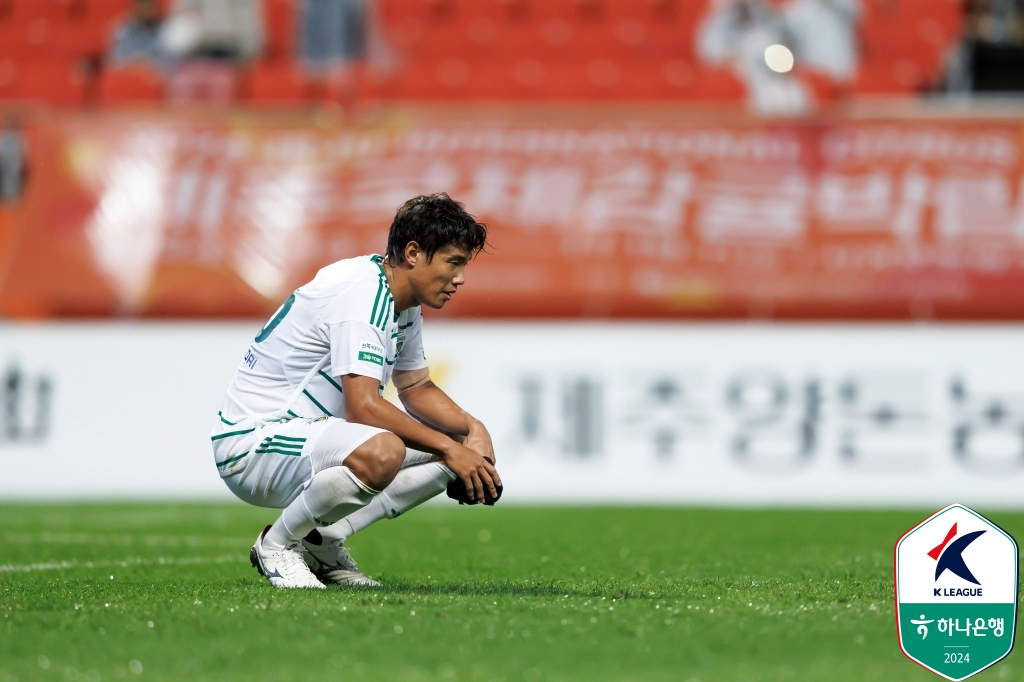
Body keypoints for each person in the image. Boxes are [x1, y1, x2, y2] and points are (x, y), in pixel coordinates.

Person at [211, 193, 501, 589]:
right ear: (414, 253)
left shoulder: (402, 300)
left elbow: (416, 387)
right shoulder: (362, 295)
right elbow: (363, 408)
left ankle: (321, 541)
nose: (461, 278)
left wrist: (471, 428)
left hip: (306, 438)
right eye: (453, 263)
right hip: (252, 444)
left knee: (454, 441)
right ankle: (277, 544)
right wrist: (451, 450)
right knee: (387, 449)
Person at [108, 0, 165, 67]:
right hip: (128, 73)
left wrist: (146, 63)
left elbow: (168, 65)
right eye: (143, 4)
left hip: (153, 74)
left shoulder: (165, 31)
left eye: (149, 5)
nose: (146, 9)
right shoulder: (122, 30)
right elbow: (113, 62)